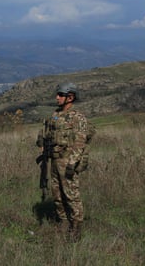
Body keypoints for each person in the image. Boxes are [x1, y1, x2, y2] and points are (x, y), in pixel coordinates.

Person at [37, 82, 93, 242]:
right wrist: (41, 144)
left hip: (67, 161)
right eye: (58, 94)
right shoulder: (55, 114)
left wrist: (72, 163)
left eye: (60, 95)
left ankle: (76, 229)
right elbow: (46, 133)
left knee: (72, 196)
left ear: (70, 97)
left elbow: (80, 142)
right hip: (54, 160)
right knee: (57, 195)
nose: (57, 97)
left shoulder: (77, 117)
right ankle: (62, 222)